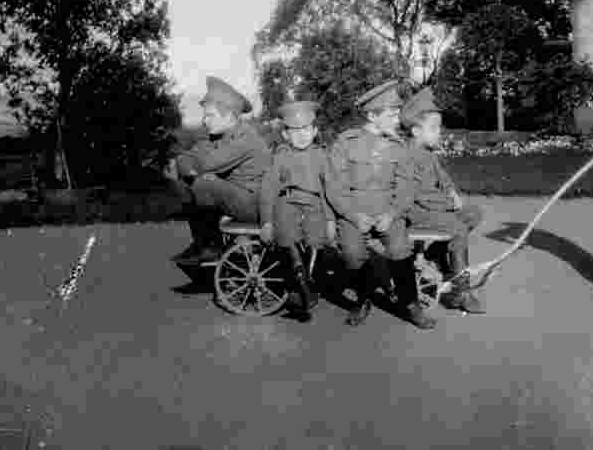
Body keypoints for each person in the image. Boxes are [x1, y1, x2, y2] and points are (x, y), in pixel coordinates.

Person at [326, 79, 436, 330]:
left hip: (388, 211)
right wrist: (353, 217)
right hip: (355, 211)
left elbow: (407, 187)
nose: (398, 117)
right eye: (392, 113)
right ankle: (363, 299)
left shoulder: (399, 146)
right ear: (373, 115)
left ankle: (411, 304)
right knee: (352, 252)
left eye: (398, 111)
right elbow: (334, 187)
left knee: (400, 249)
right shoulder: (346, 142)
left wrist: (393, 213)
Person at [398, 87, 485, 314]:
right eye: (434, 128)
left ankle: (437, 253)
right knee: (457, 228)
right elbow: (421, 196)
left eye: (439, 127)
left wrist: (453, 193)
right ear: (416, 131)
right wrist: (449, 206)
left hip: (433, 209)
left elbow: (443, 180)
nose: (439, 132)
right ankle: (461, 292)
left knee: (473, 213)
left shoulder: (427, 153)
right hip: (416, 212)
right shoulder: (409, 156)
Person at [168, 77, 271, 267]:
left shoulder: (246, 139)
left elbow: (205, 163)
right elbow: (187, 157)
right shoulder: (219, 137)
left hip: (255, 204)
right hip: (236, 197)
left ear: (230, 117)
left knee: (205, 182)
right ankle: (201, 242)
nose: (205, 121)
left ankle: (211, 246)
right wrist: (188, 167)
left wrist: (191, 168)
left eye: (210, 115)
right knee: (185, 184)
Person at [259, 100, 331, 323]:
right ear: (285, 134)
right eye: (295, 130)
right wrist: (267, 222)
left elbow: (330, 190)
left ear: (315, 131)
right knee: (286, 234)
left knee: (316, 238)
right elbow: (268, 190)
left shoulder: (322, 156)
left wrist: (330, 219)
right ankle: (296, 280)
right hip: (287, 202)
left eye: (306, 129)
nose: (301, 135)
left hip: (314, 205)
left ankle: (307, 279)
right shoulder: (280, 156)